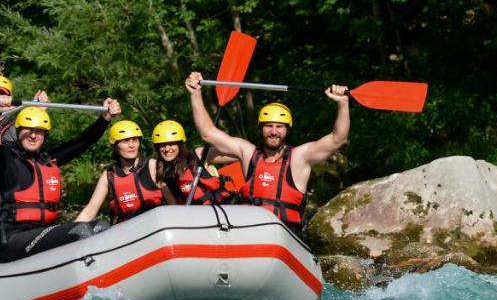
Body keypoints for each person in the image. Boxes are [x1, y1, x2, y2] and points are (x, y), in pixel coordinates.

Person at [185, 72, 350, 228]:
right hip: (249, 231)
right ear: (261, 128)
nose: (273, 132)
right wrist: (195, 94)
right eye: (268, 126)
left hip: (285, 233)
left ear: (287, 129)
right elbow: (207, 133)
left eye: (279, 127)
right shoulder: (248, 152)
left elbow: (337, 139)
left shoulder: (299, 157)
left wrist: (343, 104)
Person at [0, 92, 121, 261]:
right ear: (18, 131)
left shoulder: (48, 159)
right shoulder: (4, 158)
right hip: (11, 238)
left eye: (39, 131)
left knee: (101, 226)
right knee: (81, 231)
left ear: (45, 136)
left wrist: (105, 118)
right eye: (28, 130)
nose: (33, 135)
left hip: (43, 232)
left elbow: (82, 142)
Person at [76, 121, 167, 223]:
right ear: (115, 146)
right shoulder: (109, 175)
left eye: (135, 140)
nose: (131, 145)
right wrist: (69, 233)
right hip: (127, 232)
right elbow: (89, 213)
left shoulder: (152, 166)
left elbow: (173, 203)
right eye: (125, 141)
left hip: (156, 229)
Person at [150, 119, 235, 205]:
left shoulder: (198, 156)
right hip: (195, 216)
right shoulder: (164, 174)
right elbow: (174, 207)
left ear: (180, 144)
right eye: (162, 145)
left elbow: (234, 152)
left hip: (221, 209)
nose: (167, 149)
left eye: (171, 143)